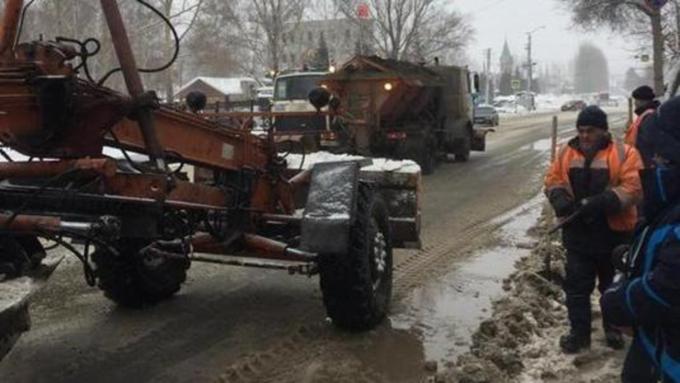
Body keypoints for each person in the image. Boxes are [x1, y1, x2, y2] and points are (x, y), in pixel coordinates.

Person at [545, 105, 644, 353]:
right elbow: (553, 178)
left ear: (603, 131)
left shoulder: (625, 153)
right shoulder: (566, 152)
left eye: (590, 131)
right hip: (578, 234)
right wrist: (558, 197)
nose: (585, 136)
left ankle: (613, 328)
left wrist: (603, 202)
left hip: (614, 234)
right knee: (577, 289)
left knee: (612, 286)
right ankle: (579, 335)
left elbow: (634, 188)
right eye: (581, 131)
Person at [601, 96, 680, 383]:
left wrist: (618, 304)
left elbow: (666, 290)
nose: (653, 160)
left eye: (660, 154)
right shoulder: (669, 201)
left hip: (669, 361)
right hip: (655, 347)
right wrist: (636, 255)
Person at [624, 85, 660, 167]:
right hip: (638, 161)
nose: (635, 103)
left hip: (643, 165)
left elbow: (645, 144)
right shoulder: (644, 115)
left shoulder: (649, 117)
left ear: (642, 101)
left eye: (636, 100)